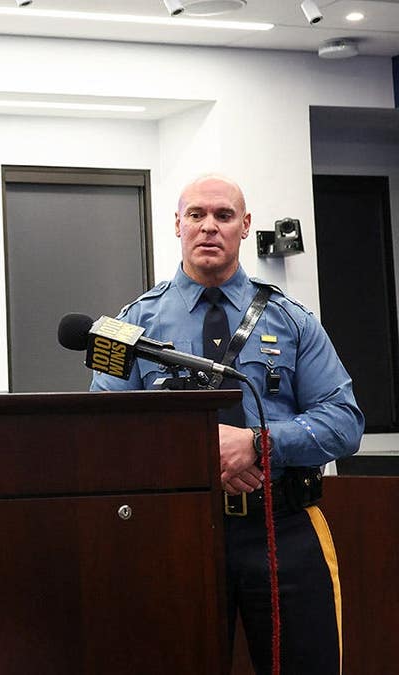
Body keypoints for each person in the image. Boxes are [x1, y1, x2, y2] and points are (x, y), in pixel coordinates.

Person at [91, 174, 363, 674]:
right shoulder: (130, 326)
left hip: (282, 527)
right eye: (196, 215)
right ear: (177, 224)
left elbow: (345, 422)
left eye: (223, 216)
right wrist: (201, 455)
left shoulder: (293, 320)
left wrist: (258, 445)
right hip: (176, 531)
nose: (209, 227)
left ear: (245, 226)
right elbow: (104, 437)